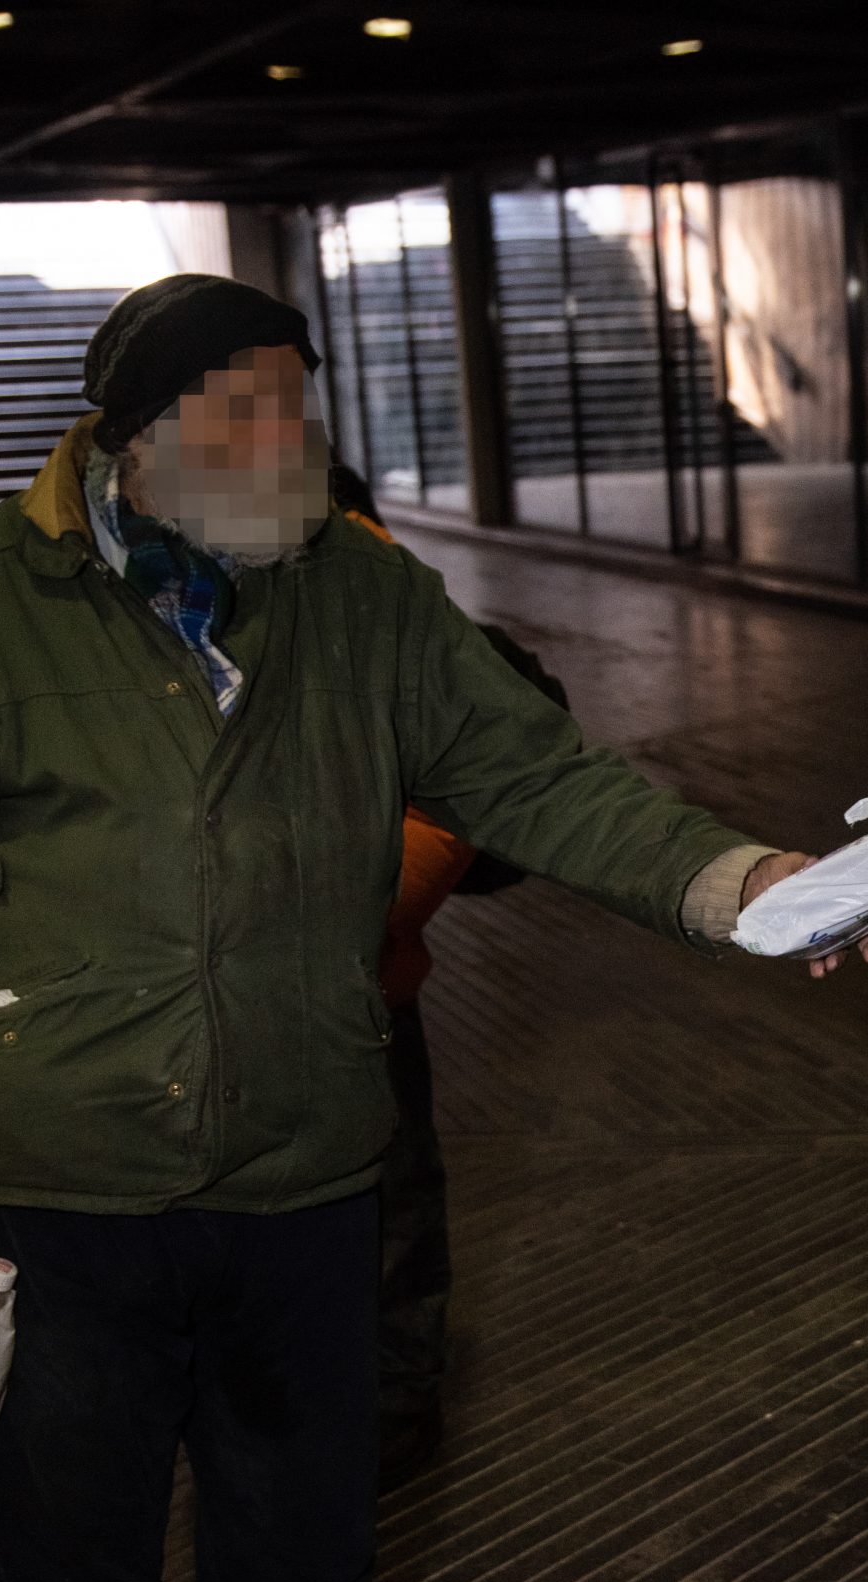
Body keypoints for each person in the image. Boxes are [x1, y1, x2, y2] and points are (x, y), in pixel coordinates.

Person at [0, 274, 868, 1582]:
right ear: (142, 434)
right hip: (61, 1196)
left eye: (299, 410)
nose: (294, 444)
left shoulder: (361, 593)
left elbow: (537, 778)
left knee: (304, 1581)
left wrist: (736, 884)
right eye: (250, 412)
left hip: (303, 1177)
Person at [331, 469, 571, 1491]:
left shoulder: (373, 607)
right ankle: (381, 1404)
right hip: (322, 989)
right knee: (380, 1211)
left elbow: (507, 753)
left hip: (359, 991)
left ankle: (390, 1408)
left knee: (388, 1208)